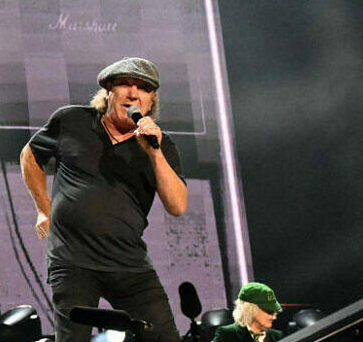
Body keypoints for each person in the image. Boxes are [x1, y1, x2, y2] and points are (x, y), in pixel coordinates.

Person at [19, 56, 188, 342]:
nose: (133, 93)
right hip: (72, 262)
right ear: (109, 92)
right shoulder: (72, 120)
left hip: (130, 264)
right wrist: (43, 208)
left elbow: (177, 206)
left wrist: (154, 153)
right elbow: (30, 156)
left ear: (151, 100)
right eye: (125, 84)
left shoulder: (162, 145)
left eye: (143, 88)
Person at [212, 283, 284, 342]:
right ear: (250, 309)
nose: (273, 316)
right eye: (268, 311)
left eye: (273, 311)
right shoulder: (226, 335)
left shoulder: (278, 336)